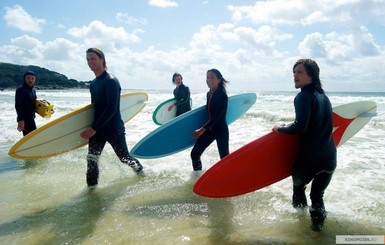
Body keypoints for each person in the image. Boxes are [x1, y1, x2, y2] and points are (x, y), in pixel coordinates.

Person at [272, 59, 337, 232]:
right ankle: (317, 233)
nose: (295, 75)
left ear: (311, 75)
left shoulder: (303, 96)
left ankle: (300, 227)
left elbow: (301, 127)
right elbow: (315, 123)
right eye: (294, 72)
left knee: (299, 189)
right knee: (317, 196)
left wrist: (281, 128)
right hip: (329, 159)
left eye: (299, 72)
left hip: (310, 159)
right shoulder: (324, 96)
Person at [80, 48, 144, 188]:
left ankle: (142, 174)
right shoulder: (94, 83)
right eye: (88, 60)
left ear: (102, 59)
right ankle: (91, 191)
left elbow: (111, 108)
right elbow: (94, 108)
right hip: (97, 129)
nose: (90, 62)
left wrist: (93, 128)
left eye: (93, 59)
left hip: (113, 128)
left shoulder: (110, 81)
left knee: (124, 158)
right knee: (92, 160)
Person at [190, 69, 229, 175]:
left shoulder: (222, 95)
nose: (209, 80)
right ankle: (198, 178)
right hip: (210, 129)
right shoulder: (209, 94)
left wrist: (202, 129)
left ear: (219, 80)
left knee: (225, 159)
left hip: (220, 130)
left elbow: (217, 117)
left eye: (212, 77)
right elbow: (208, 112)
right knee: (195, 154)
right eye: (207, 77)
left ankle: (229, 180)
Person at [15, 71, 37, 136]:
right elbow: (18, 105)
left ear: (35, 80)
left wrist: (48, 110)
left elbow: (35, 103)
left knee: (32, 136)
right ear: (24, 79)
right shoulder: (20, 90)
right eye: (28, 78)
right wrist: (21, 120)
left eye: (32, 78)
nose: (30, 80)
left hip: (31, 117)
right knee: (31, 137)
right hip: (24, 119)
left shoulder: (33, 90)